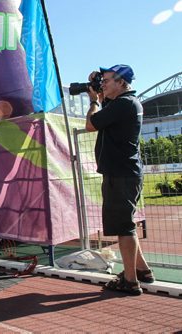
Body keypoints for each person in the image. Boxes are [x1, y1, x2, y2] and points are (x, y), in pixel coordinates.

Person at [85, 64, 154, 295]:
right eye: (101, 81)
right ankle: (142, 271)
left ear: (121, 82)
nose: (102, 84)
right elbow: (106, 113)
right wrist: (100, 94)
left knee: (124, 228)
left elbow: (91, 124)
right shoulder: (124, 104)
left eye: (106, 80)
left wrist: (93, 100)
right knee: (126, 225)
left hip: (121, 175)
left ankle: (130, 280)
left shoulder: (124, 104)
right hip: (123, 173)